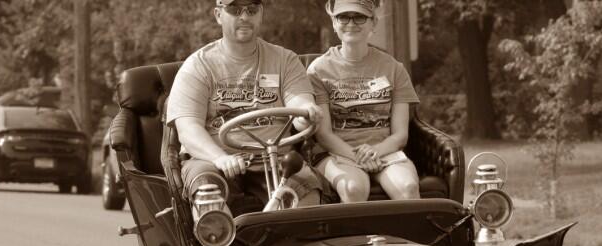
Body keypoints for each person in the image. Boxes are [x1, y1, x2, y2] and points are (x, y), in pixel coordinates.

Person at [165, 0, 324, 212]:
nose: (244, 17)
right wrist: (220, 158)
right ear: (218, 15)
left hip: (274, 160)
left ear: (261, 14)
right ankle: (216, 243)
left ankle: (294, 242)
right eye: (235, 10)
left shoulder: (285, 60)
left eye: (251, 10)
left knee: (306, 186)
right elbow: (188, 129)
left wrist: (306, 114)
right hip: (214, 160)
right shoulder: (198, 66)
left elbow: (299, 103)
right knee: (207, 191)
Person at [307, 0, 421, 203]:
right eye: (343, 16)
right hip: (337, 152)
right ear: (334, 22)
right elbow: (323, 135)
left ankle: (406, 236)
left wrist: (377, 151)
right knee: (354, 189)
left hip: (385, 151)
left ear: (373, 23)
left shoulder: (394, 68)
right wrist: (358, 157)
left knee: (408, 188)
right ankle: (357, 236)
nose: (351, 23)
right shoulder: (318, 70)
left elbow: (401, 135)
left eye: (359, 17)